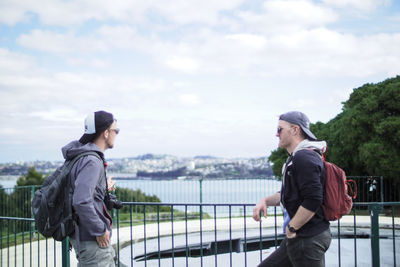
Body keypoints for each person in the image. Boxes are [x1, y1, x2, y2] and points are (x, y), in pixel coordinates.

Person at [253, 111, 331, 267]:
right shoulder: (297, 157)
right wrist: (265, 201)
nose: (276, 134)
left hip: (306, 237)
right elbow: (291, 194)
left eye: (280, 129)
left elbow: (313, 199)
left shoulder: (304, 158)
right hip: (301, 236)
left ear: (295, 130)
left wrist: (292, 227)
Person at [62, 110, 119, 267]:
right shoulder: (92, 161)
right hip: (93, 242)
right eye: (116, 130)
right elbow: (81, 200)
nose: (117, 134)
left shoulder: (81, 156)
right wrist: (100, 230)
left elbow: (78, 189)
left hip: (83, 238)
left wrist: (102, 187)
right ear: (105, 133)